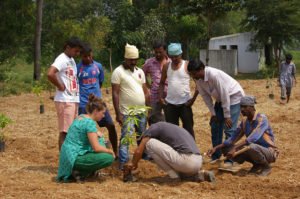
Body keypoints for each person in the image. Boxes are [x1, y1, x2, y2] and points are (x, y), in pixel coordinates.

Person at [187, 59, 244, 166]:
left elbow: (225, 94)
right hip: (220, 99)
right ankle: (216, 156)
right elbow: (206, 97)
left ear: (201, 69)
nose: (193, 76)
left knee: (229, 128)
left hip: (233, 96)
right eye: (191, 74)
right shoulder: (198, 80)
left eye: (194, 73)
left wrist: (227, 115)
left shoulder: (214, 75)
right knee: (215, 126)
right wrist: (213, 113)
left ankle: (230, 160)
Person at [207, 96, 278, 176]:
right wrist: (216, 148)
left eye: (244, 107)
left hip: (269, 152)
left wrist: (235, 148)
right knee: (226, 147)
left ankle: (266, 167)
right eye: (241, 107)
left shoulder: (262, 119)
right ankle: (257, 165)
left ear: (251, 107)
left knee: (251, 146)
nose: (242, 110)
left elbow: (253, 138)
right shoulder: (245, 121)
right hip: (253, 149)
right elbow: (232, 138)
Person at [127, 122, 215, 182]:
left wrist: (133, 163)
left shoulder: (152, 129)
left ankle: (173, 177)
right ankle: (200, 175)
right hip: (198, 161)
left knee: (149, 143)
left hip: (186, 161)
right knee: (179, 167)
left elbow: (139, 151)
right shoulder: (171, 129)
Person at [57, 94, 115, 182]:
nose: (103, 116)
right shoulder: (89, 123)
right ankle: (80, 171)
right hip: (74, 157)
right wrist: (110, 151)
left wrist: (97, 134)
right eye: (102, 113)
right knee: (108, 158)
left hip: (68, 155)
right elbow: (96, 148)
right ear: (95, 111)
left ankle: (82, 171)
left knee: (101, 140)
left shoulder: (82, 117)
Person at [111, 43, 150, 170]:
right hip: (127, 112)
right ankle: (123, 164)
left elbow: (145, 91)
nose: (133, 62)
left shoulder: (140, 71)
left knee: (142, 137)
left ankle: (143, 159)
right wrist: (118, 114)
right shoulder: (118, 72)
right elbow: (115, 93)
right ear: (125, 58)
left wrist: (148, 108)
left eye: (135, 59)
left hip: (141, 111)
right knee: (126, 138)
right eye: (131, 59)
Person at [77, 44, 118, 157]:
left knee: (111, 125)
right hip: (83, 104)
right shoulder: (77, 68)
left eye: (90, 56)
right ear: (81, 56)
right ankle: (84, 155)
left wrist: (96, 95)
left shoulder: (98, 66)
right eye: (85, 56)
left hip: (98, 103)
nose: (88, 58)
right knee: (84, 131)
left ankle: (116, 152)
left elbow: (99, 82)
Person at [47, 37, 82, 151]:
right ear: (68, 47)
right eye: (75, 51)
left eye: (78, 51)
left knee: (72, 132)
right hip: (65, 100)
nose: (77, 53)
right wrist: (60, 86)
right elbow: (50, 74)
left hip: (72, 99)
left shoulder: (70, 59)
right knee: (65, 132)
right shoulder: (62, 59)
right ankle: (64, 163)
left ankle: (69, 160)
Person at [159, 43, 198, 138]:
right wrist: (160, 97)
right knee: (172, 131)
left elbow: (199, 84)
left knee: (188, 130)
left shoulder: (187, 65)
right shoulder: (166, 66)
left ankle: (192, 151)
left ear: (181, 54)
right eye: (172, 57)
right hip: (170, 105)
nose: (174, 59)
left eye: (176, 56)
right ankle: (174, 152)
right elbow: (161, 83)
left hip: (185, 104)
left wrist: (193, 100)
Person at [143, 41, 170, 125]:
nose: (158, 54)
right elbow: (142, 73)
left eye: (160, 52)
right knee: (152, 116)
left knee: (169, 118)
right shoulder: (149, 62)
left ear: (165, 51)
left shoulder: (171, 62)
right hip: (154, 95)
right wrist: (147, 85)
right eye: (156, 52)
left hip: (169, 95)